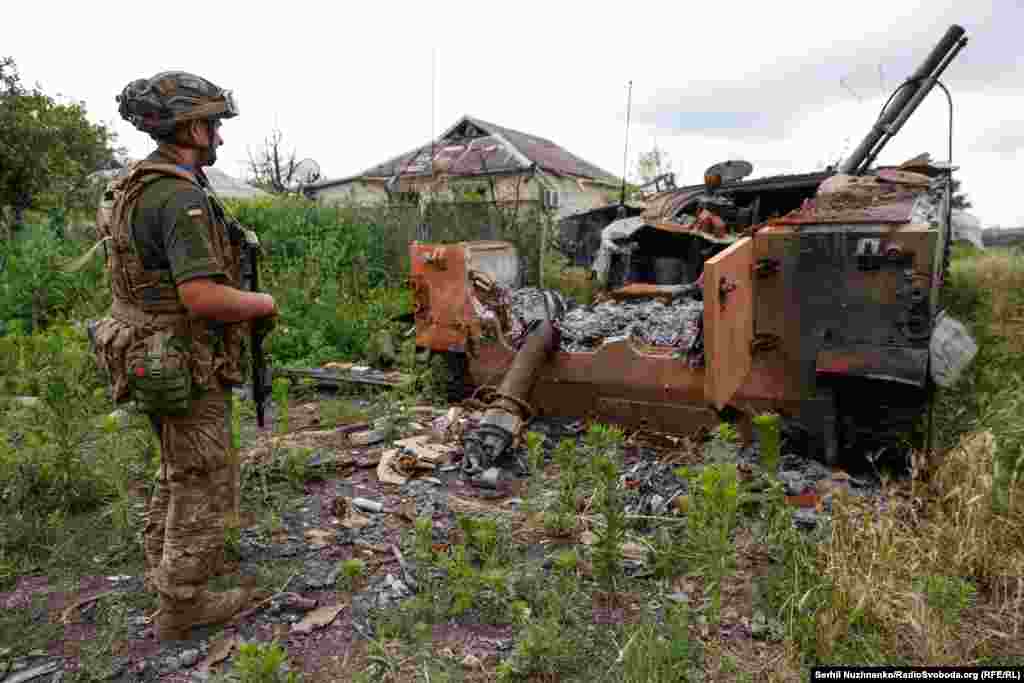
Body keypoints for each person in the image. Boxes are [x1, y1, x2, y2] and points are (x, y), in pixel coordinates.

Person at [89, 71, 276, 641]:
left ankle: (170, 565)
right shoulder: (179, 196)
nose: (219, 133)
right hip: (178, 357)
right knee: (201, 471)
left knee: (177, 464)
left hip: (146, 351)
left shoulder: (135, 184)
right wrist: (262, 301)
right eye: (213, 122)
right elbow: (200, 296)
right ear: (191, 126)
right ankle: (183, 605)